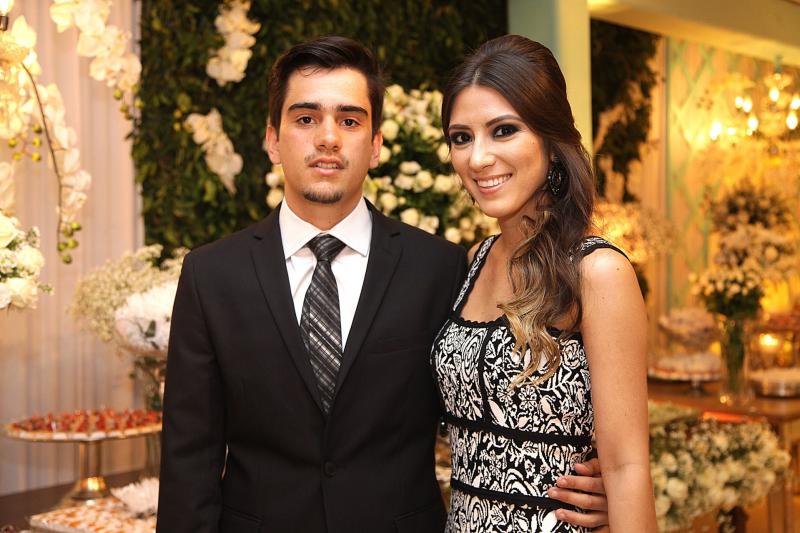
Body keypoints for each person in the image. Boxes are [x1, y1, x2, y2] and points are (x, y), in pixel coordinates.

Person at [157, 36, 609, 533]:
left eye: (350, 121)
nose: (328, 138)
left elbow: (491, 403)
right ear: (272, 139)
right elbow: (188, 463)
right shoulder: (211, 276)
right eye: (305, 118)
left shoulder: (441, 268)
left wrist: (592, 480)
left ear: (375, 145)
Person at [432, 35, 657, 532]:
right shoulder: (474, 260)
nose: (478, 158)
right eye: (461, 137)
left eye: (504, 130)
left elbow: (626, 468)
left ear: (551, 142)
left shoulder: (597, 272)